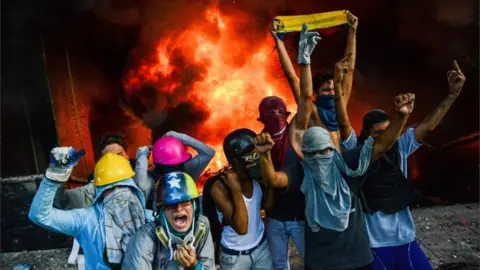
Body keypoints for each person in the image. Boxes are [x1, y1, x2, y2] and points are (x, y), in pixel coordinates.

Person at [256, 90, 416, 269]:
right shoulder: (302, 171)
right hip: (322, 262)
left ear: (331, 149)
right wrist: (264, 155)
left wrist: (401, 117)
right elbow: (274, 181)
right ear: (304, 154)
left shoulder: (348, 164)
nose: (318, 157)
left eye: (323, 151)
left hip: (358, 260)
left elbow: (382, 144)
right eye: (312, 153)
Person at [336, 61, 466, 270]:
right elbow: (342, 123)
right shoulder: (356, 152)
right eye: (379, 134)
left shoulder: (401, 147)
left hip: (405, 239)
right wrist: (338, 87)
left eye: (390, 132)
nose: (387, 139)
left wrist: (452, 95)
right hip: (374, 245)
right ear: (367, 134)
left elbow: (428, 125)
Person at [257, 22, 320, 269]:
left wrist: (303, 59)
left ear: (287, 114)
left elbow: (304, 95)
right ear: (261, 120)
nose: (276, 118)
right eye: (270, 115)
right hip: (274, 219)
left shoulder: (295, 132)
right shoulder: (260, 141)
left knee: (312, 263)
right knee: (279, 265)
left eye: (279, 113)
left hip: (300, 217)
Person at [29, 149, 148, 269]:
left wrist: (53, 178)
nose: (119, 195)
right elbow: (39, 215)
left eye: (124, 188)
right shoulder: (86, 219)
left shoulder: (149, 219)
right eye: (111, 189)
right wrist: (54, 177)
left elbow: (40, 215)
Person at [270, 11, 358, 150]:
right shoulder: (312, 111)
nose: (332, 93)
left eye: (334, 89)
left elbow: (350, 68)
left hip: (340, 168)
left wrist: (352, 31)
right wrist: (278, 41)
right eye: (326, 90)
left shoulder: (340, 103)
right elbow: (292, 78)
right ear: (315, 94)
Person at [122, 171, 215, 269]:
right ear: (161, 212)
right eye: (170, 205)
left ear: (194, 206)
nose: (179, 208)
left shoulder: (201, 225)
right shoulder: (144, 238)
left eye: (185, 202)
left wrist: (195, 266)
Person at [209, 128, 273, 269]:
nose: (255, 156)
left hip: (261, 248)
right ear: (236, 161)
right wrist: (236, 191)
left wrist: (269, 181)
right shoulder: (220, 187)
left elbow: (267, 206)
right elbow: (242, 228)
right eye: (250, 154)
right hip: (235, 257)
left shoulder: (256, 178)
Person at [53, 133, 151, 210]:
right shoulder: (92, 190)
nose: (114, 162)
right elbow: (61, 201)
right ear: (100, 163)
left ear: (127, 157)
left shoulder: (142, 177)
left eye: (118, 156)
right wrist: (59, 172)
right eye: (107, 158)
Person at [142, 131, 215, 209]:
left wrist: (142, 156)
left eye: (176, 165)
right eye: (169, 166)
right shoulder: (187, 171)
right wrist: (183, 138)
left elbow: (209, 153)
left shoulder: (151, 178)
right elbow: (208, 153)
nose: (174, 170)